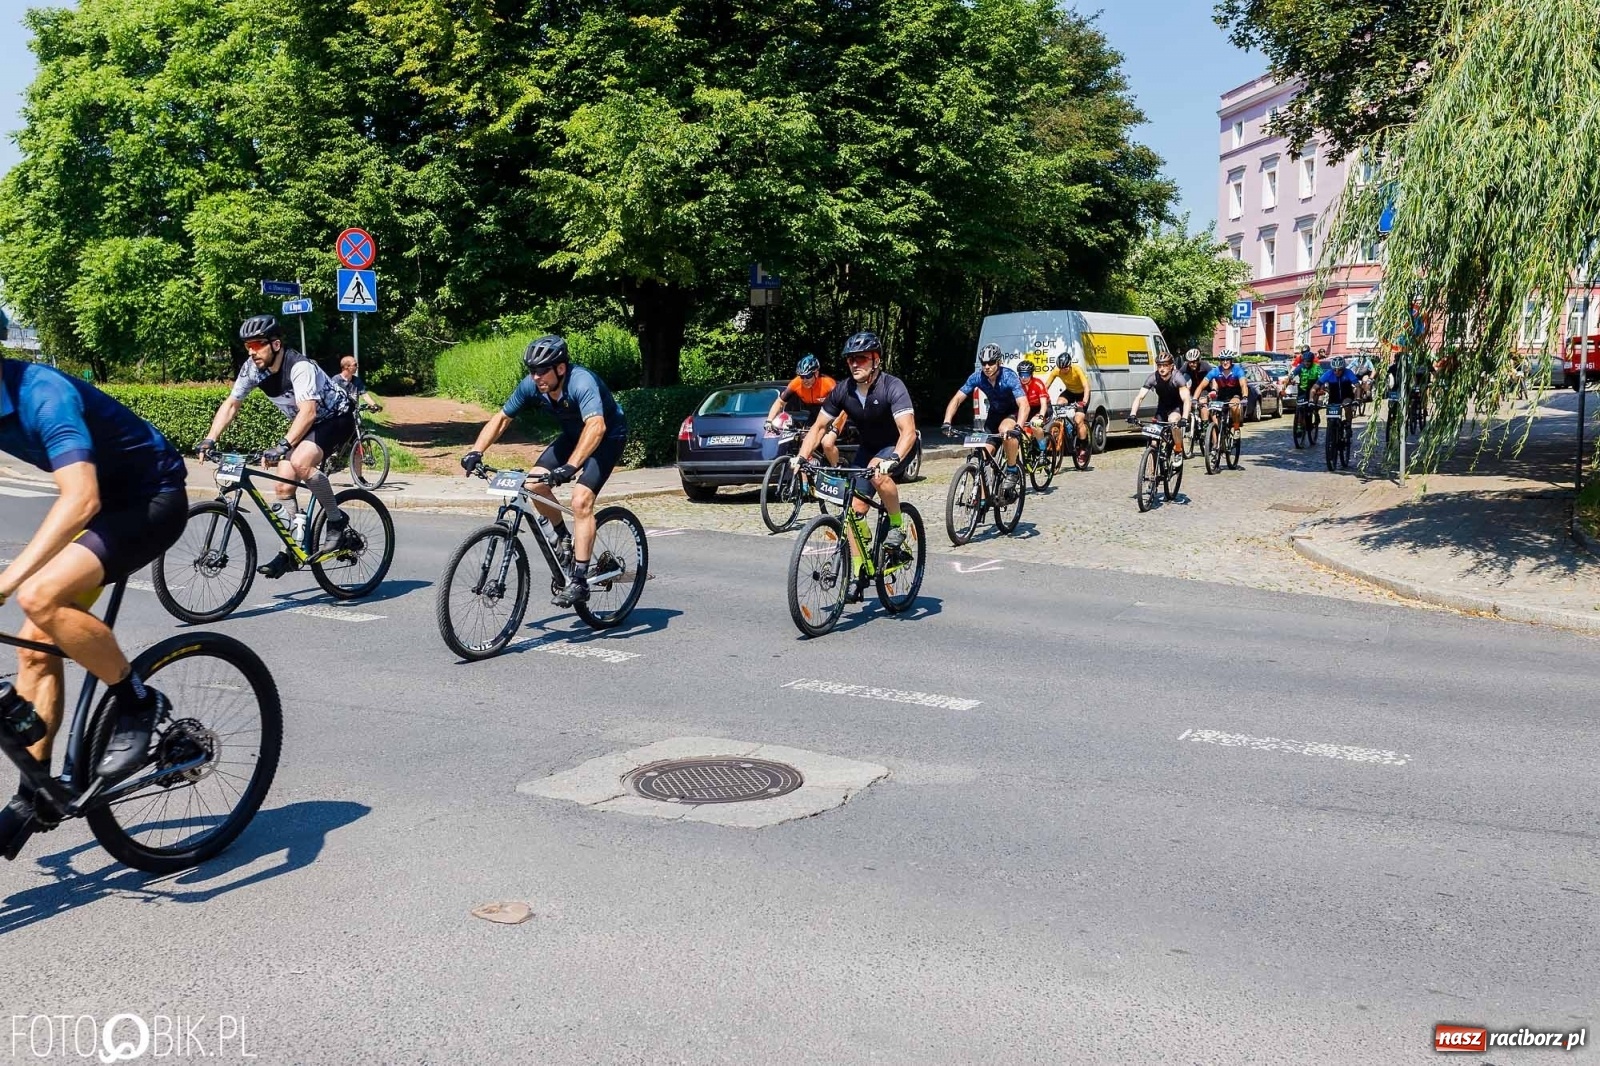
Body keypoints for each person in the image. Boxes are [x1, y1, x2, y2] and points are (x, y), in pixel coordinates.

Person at [0, 355, 189, 858]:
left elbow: (80, 499)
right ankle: (35, 793)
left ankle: (138, 702)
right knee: (35, 647)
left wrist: (7, 581)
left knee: (38, 595)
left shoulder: (43, 395)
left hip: (152, 498)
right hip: (106, 506)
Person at [460, 334, 629, 607]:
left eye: (542, 371)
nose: (536, 377)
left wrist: (571, 467)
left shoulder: (581, 382)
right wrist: (475, 451)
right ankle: (564, 539)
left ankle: (579, 581)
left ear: (560, 368)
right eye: (532, 371)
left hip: (607, 437)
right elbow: (502, 418)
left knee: (581, 500)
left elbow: (596, 426)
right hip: (573, 436)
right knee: (533, 484)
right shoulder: (533, 385)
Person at [198, 316, 356, 579]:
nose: (252, 351)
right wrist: (210, 438)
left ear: (276, 344)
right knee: (283, 486)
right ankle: (291, 551)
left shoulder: (299, 367)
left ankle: (337, 521)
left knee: (301, 462)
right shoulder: (252, 369)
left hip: (336, 418)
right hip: (307, 424)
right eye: (248, 346)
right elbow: (232, 404)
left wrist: (282, 445)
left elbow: (308, 412)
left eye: (257, 345)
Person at [793, 331, 918, 555]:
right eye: (850, 359)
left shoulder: (892, 386)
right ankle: (859, 567)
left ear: (876, 360)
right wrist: (801, 457)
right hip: (868, 448)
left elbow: (907, 431)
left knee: (877, 473)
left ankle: (897, 525)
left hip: (898, 446)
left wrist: (894, 458)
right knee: (853, 511)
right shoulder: (843, 390)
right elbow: (819, 427)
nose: (854, 364)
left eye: (861, 358)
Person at [939, 343, 1031, 472]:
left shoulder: (1009, 376)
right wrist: (947, 422)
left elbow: (1024, 405)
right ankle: (983, 484)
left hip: (1012, 412)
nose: (987, 367)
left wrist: (1018, 428)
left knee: (1005, 430)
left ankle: (1012, 470)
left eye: (991, 363)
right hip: (994, 415)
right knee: (982, 457)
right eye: (984, 363)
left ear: (999, 362)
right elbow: (957, 399)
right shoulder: (977, 377)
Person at [763, 354, 843, 466]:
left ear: (816, 373)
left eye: (808, 376)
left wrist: (832, 425)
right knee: (804, 444)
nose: (805, 380)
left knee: (827, 443)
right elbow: (780, 402)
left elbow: (842, 405)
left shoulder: (828, 383)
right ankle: (806, 474)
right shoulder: (796, 383)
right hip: (815, 413)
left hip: (835, 413)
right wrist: (769, 420)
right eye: (802, 376)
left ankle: (836, 469)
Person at [1126, 352, 1191, 458]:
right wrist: (1132, 414)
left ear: (1171, 366)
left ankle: (1178, 450)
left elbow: (1186, 399)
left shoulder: (1177, 378)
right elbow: (1140, 397)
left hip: (1176, 407)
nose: (1162, 368)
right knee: (1153, 440)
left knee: (1173, 421)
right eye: (1159, 365)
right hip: (1162, 408)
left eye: (1165, 365)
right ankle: (1152, 465)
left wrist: (1184, 418)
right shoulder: (1153, 378)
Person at [1041, 350, 1093, 457]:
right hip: (1070, 392)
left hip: (1082, 394)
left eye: (1066, 368)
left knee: (1078, 420)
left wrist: (1084, 401)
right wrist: (1042, 398)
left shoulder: (1077, 369)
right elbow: (1046, 386)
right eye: (1061, 368)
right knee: (1059, 403)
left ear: (1069, 365)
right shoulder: (1057, 371)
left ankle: (1083, 446)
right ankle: (1064, 428)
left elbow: (1086, 387)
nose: (1064, 370)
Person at [1202, 350, 1250, 435]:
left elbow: (1243, 385)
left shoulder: (1238, 370)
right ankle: (1216, 434)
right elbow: (1205, 384)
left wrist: (1245, 396)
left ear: (1231, 360)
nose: (1225, 362)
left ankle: (1236, 428)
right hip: (1222, 394)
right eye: (1222, 360)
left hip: (1234, 394)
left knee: (1233, 406)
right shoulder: (1217, 370)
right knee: (1213, 410)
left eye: (1227, 359)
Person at [1016, 359, 1054, 457]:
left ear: (1031, 374)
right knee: (1022, 433)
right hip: (1028, 408)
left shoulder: (1038, 383)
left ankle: (1043, 451)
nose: (1023, 378)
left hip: (1042, 407)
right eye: (1021, 375)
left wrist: (1041, 417)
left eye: (1026, 375)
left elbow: (1043, 404)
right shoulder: (1018, 385)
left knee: (1034, 425)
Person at [1287, 346, 1322, 426]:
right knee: (1300, 405)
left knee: (1312, 405)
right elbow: (1294, 370)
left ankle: (1315, 413)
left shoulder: (1316, 363)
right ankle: (1300, 422)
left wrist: (1321, 386)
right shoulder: (1300, 361)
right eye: (1305, 361)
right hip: (1303, 386)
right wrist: (1291, 378)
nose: (1307, 363)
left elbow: (1321, 376)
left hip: (1313, 386)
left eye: (1309, 361)